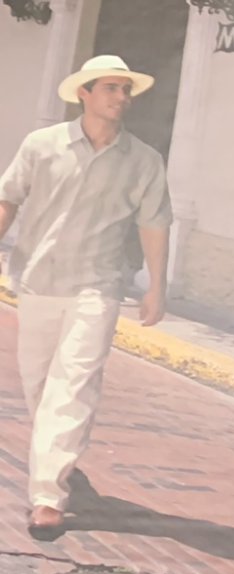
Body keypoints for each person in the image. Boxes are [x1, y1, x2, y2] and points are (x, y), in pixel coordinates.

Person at [0, 54, 169, 543]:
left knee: (73, 384)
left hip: (97, 286)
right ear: (85, 94)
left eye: (125, 90)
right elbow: (8, 197)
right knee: (40, 386)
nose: (121, 98)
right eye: (111, 89)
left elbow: (153, 222)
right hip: (38, 280)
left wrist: (155, 285)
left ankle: (47, 496)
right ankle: (60, 461)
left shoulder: (143, 160)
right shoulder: (42, 145)